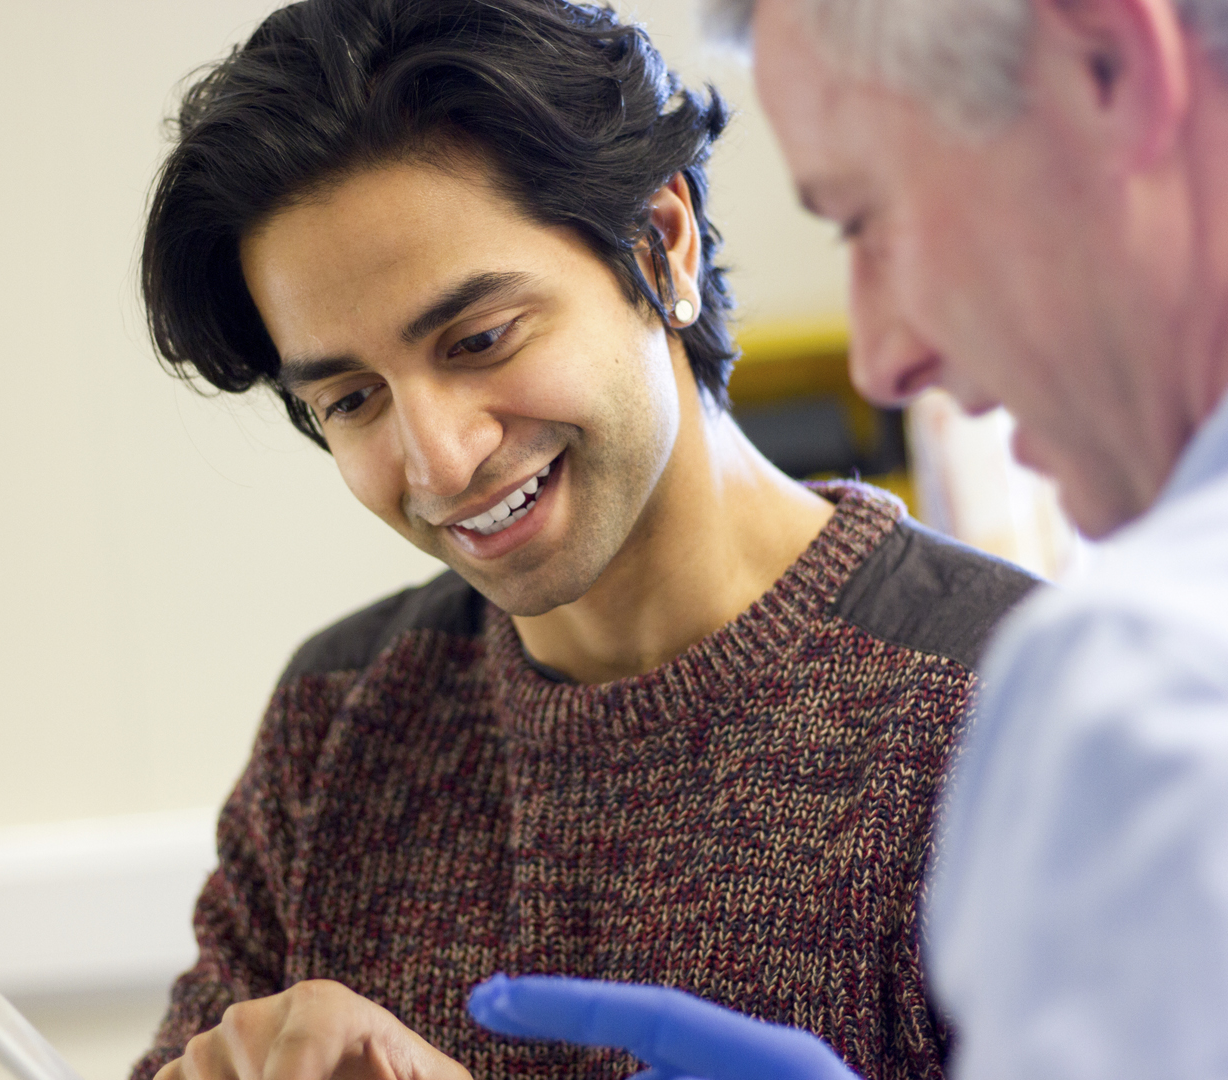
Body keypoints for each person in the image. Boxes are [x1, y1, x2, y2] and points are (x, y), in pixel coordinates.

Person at [129, 1, 1036, 1079]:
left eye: (479, 339)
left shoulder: (1010, 703)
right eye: (354, 399)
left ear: (662, 245)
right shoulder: (338, 723)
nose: (438, 464)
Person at [473, 1, 1228, 1078]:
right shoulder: (339, 715)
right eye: (350, 397)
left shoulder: (1144, 683)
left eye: (868, 218)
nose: (883, 361)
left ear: (1112, 65)